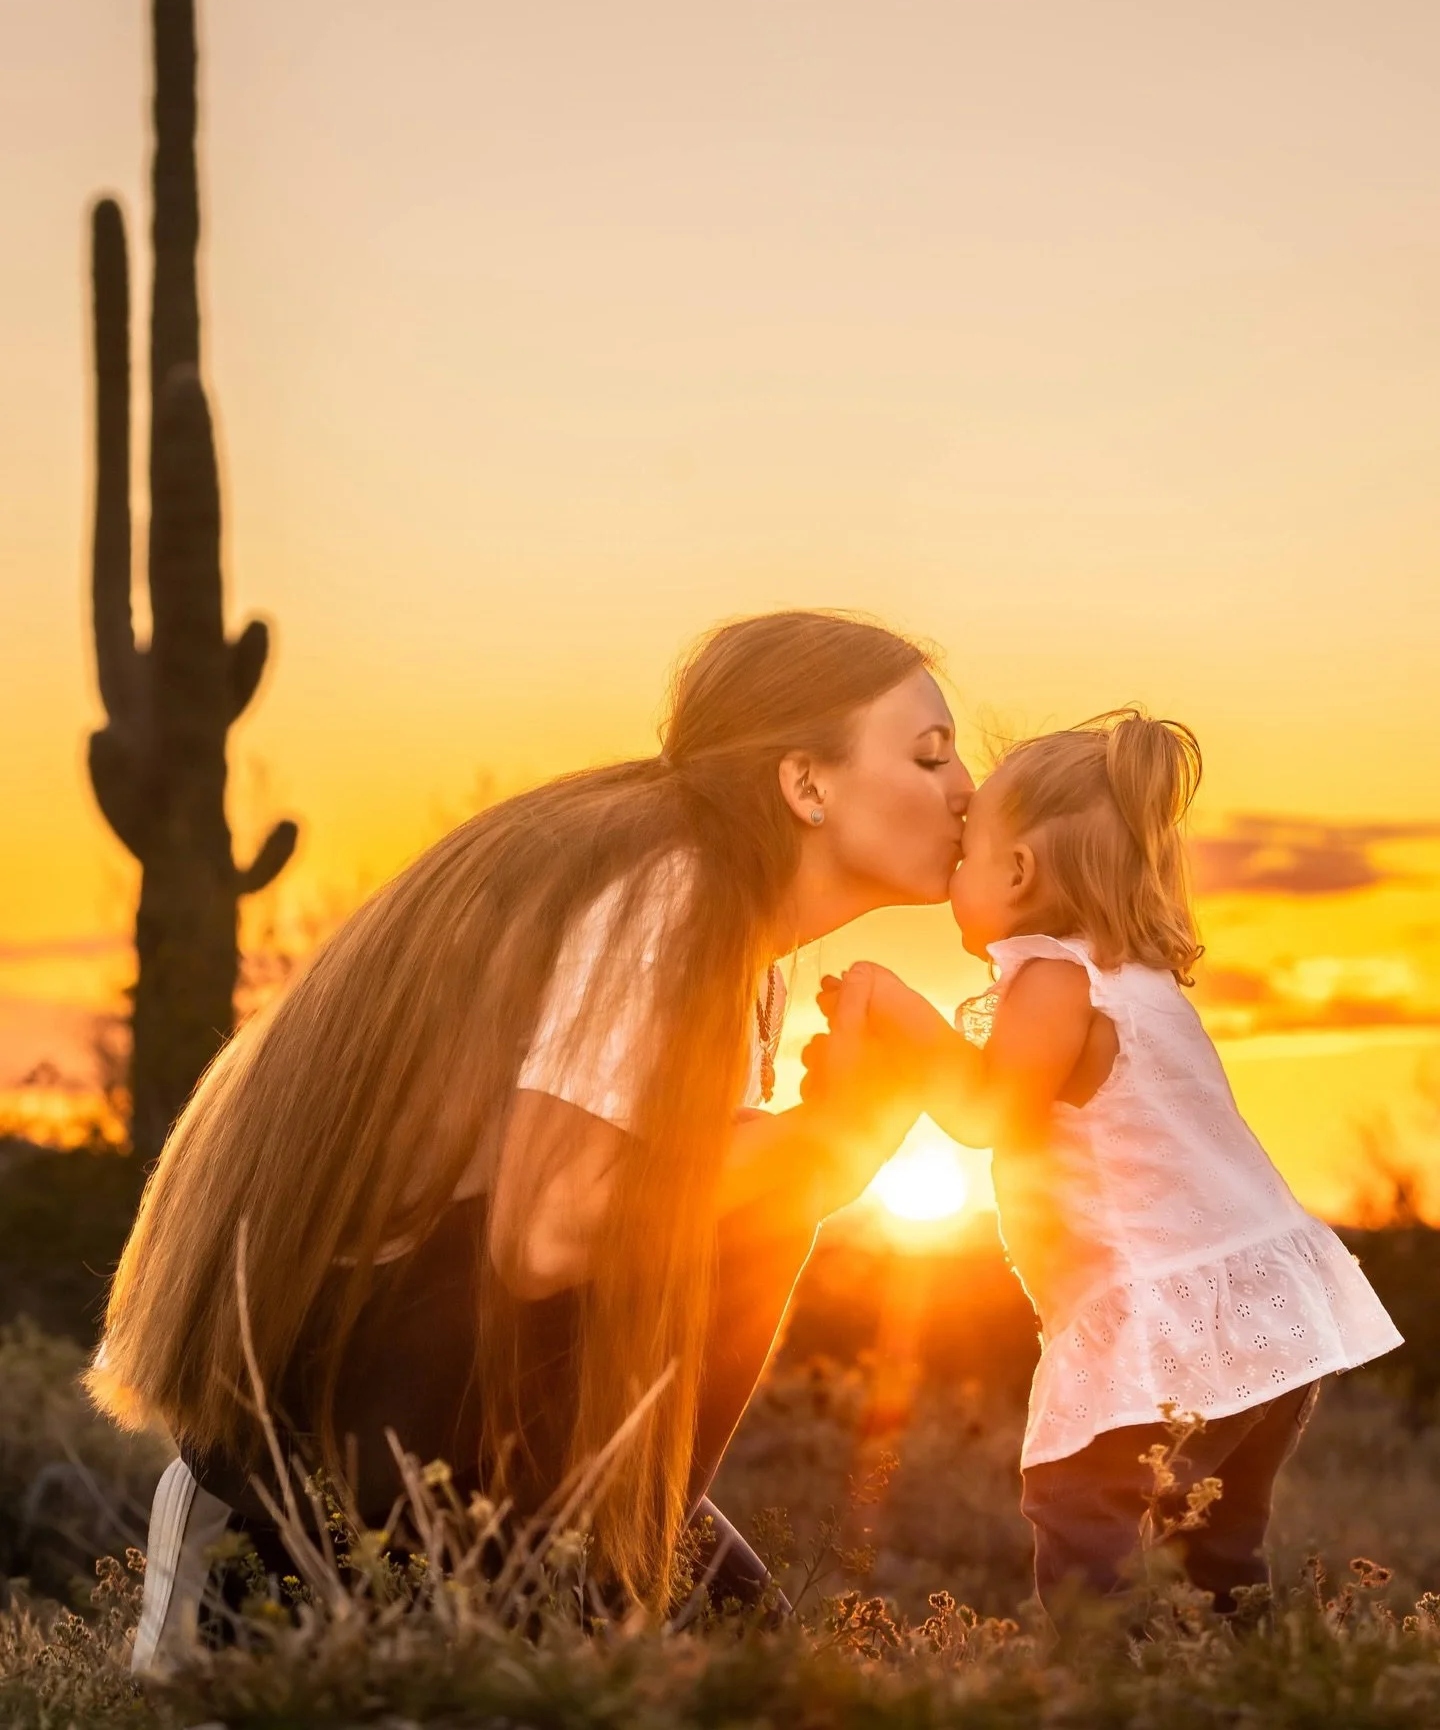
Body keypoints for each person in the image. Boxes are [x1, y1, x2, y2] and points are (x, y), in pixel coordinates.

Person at [88, 610, 974, 1671]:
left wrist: (817, 1145)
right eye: (930, 756)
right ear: (805, 784)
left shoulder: (720, 928)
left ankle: (611, 1572)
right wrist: (832, 1135)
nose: (967, 788)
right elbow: (548, 1230)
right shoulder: (670, 889)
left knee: (759, 1667)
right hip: (334, 1461)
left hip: (459, 1447)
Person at [806, 708, 1401, 1617]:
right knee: (1215, 1551)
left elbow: (986, 1112)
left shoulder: (1055, 977)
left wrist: (895, 1003)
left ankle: (1101, 1679)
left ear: (1018, 872)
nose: (953, 869)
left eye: (965, 854)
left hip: (1169, 1309)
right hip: (1259, 1303)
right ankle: (1249, 1677)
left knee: (1079, 1511)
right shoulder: (1135, 980)